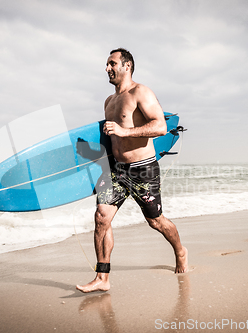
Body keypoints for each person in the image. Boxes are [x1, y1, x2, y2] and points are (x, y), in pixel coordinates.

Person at [76, 48, 188, 293]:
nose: (107, 68)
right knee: (101, 218)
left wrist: (125, 131)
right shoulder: (108, 101)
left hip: (143, 169)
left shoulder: (141, 92)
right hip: (116, 170)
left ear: (127, 66)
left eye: (112, 63)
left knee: (155, 221)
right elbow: (111, 139)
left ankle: (180, 250)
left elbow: (159, 126)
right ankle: (102, 278)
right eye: (106, 64)